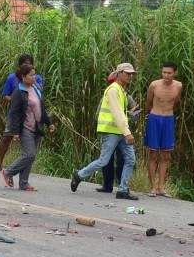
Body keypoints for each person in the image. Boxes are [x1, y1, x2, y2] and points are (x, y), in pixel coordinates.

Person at [70, 62, 138, 200]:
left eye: (131, 74)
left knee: (130, 159)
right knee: (103, 161)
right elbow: (117, 113)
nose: (130, 76)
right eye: (127, 73)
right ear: (119, 74)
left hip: (120, 131)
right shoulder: (113, 90)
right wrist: (128, 132)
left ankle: (123, 190)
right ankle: (79, 175)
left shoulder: (122, 91)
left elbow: (122, 114)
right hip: (111, 131)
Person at [2, 63, 52, 191]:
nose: (34, 77)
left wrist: (49, 123)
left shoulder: (36, 89)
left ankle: (24, 183)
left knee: (30, 156)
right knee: (29, 154)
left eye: (34, 74)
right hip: (25, 127)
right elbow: (15, 113)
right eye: (31, 75)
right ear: (23, 77)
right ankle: (8, 172)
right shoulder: (18, 92)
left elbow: (41, 108)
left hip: (36, 127)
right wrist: (15, 132)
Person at [0, 54, 42, 170]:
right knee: (7, 137)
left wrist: (33, 81)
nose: (27, 65)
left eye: (30, 63)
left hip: (30, 116)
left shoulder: (37, 78)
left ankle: (24, 167)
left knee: (30, 142)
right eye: (25, 63)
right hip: (14, 114)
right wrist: (17, 102)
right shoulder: (11, 78)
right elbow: (5, 95)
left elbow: (40, 93)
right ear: (20, 65)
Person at [143, 60, 183, 196]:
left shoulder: (178, 86)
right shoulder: (154, 85)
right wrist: (153, 116)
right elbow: (148, 103)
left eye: (169, 73)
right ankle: (153, 187)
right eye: (164, 72)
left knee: (166, 155)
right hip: (155, 118)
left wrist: (167, 114)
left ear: (175, 73)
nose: (166, 75)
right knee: (153, 153)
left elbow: (176, 101)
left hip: (168, 119)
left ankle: (161, 187)